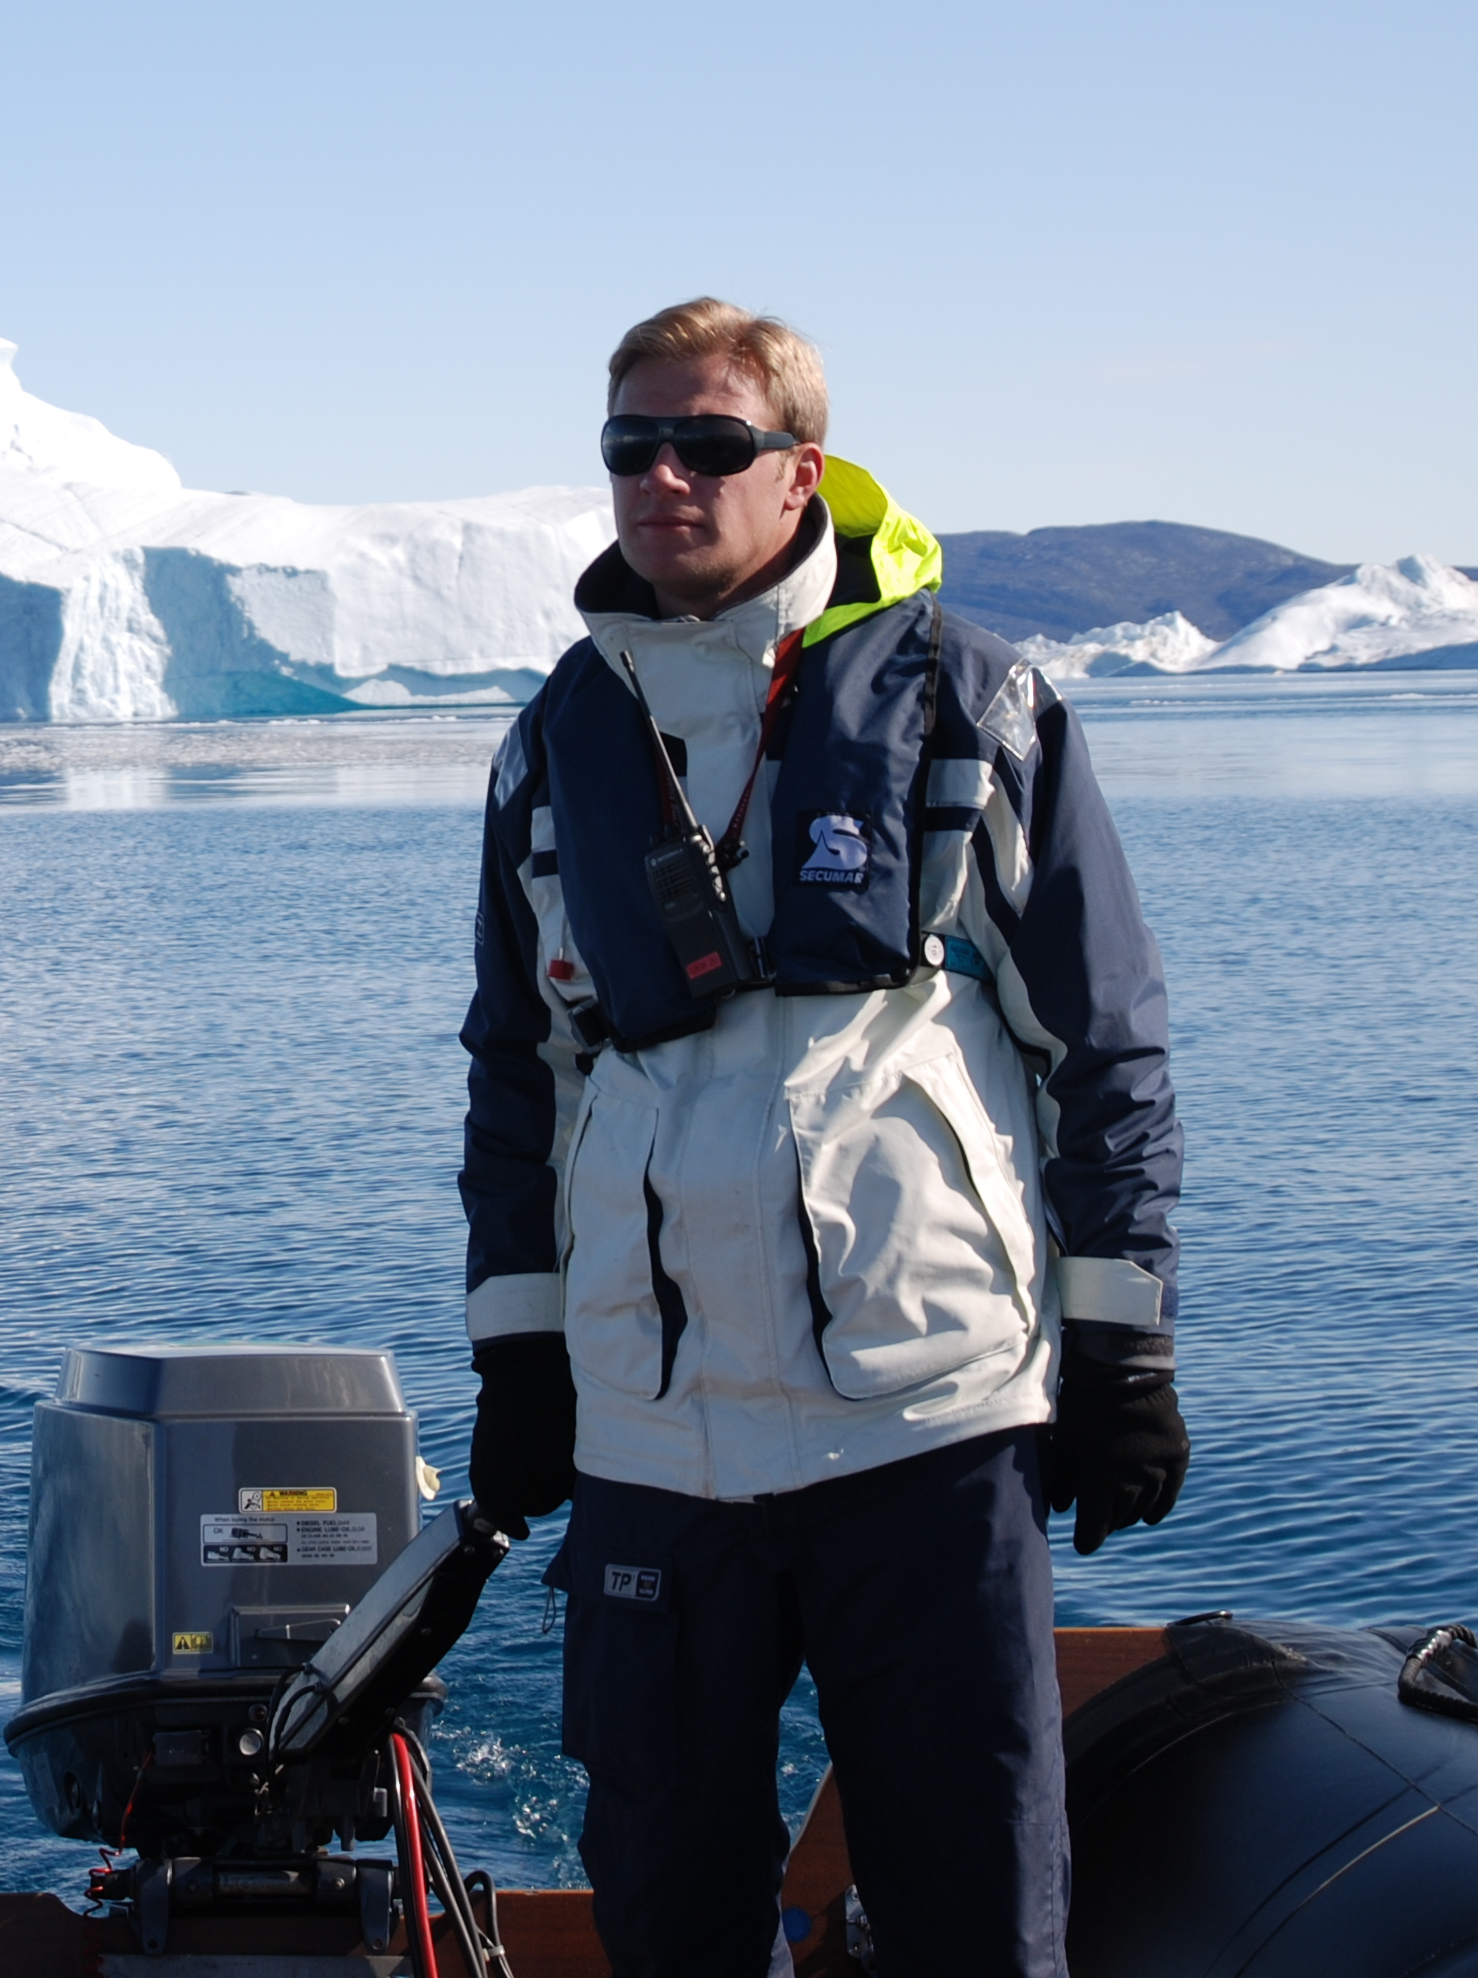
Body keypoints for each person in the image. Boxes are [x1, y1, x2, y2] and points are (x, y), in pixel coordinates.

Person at [457, 298, 1189, 1978]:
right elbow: (521, 1073)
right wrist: (522, 1361)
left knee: (974, 1906)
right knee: (665, 1907)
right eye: (629, 447)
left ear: (802, 471)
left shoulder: (970, 707)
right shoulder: (555, 746)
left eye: (706, 445)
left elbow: (1106, 1043)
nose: (661, 478)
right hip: (659, 1443)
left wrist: (1124, 1351)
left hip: (924, 1431)